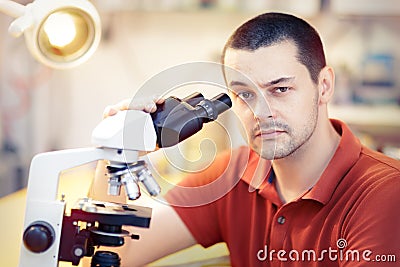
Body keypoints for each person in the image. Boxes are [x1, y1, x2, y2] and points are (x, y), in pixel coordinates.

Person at [91, 12, 400, 266]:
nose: (261, 112)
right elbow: (117, 254)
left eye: (280, 89)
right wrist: (119, 149)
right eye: (244, 94)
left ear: (324, 86)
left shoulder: (384, 193)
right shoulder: (231, 174)